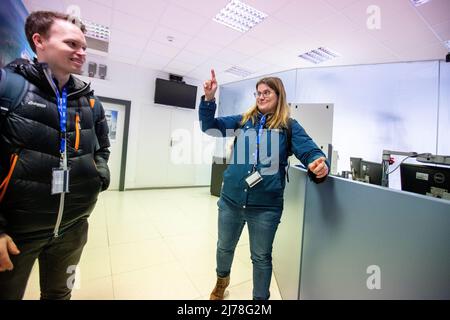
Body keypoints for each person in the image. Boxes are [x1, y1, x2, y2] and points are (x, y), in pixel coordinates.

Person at [0, 11, 110, 299]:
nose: (82, 53)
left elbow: (102, 147)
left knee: (60, 294)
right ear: (39, 41)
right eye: (72, 44)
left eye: (84, 47)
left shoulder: (88, 100)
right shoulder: (9, 88)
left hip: (73, 228)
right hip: (14, 233)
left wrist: (98, 175)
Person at [199, 69, 329, 300]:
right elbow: (210, 126)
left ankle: (260, 301)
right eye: (258, 93)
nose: (260, 97)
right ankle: (222, 281)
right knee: (224, 247)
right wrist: (209, 99)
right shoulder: (243, 121)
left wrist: (319, 164)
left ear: (279, 95)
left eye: (266, 92)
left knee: (260, 257)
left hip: (266, 207)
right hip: (231, 200)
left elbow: (310, 151)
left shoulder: (288, 126)